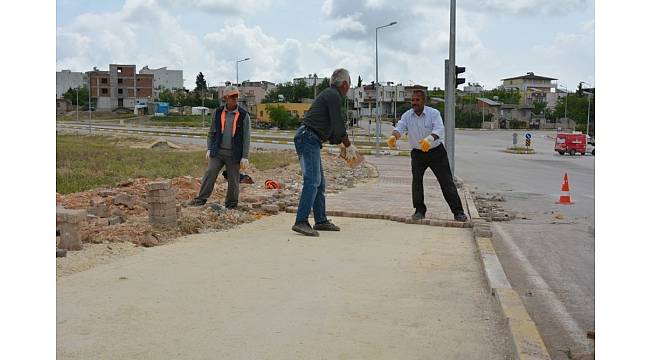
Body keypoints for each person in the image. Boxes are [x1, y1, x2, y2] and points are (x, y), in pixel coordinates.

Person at [292, 68, 359, 236]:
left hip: (310, 138)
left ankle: (320, 220)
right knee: (312, 180)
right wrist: (348, 145)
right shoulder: (334, 95)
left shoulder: (330, 94)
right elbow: (338, 124)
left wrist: (342, 143)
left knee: (319, 183)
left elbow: (332, 129)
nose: (349, 88)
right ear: (344, 84)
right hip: (308, 138)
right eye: (349, 84)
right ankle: (301, 221)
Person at [386, 89, 468, 222]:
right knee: (416, 182)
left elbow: (439, 129)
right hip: (418, 154)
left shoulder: (433, 113)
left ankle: (458, 212)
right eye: (413, 100)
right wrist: (393, 137)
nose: (414, 103)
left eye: (417, 100)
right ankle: (419, 211)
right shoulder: (407, 115)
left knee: (446, 182)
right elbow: (400, 127)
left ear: (424, 101)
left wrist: (429, 139)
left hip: (436, 152)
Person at [188, 85, 251, 208]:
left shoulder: (244, 115)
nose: (235, 99)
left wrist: (245, 156)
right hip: (218, 152)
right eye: (232, 96)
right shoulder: (217, 112)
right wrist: (209, 148)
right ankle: (200, 199)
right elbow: (211, 133)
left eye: (236, 96)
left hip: (234, 154)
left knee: (233, 179)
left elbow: (246, 137)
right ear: (226, 98)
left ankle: (231, 204)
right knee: (210, 173)